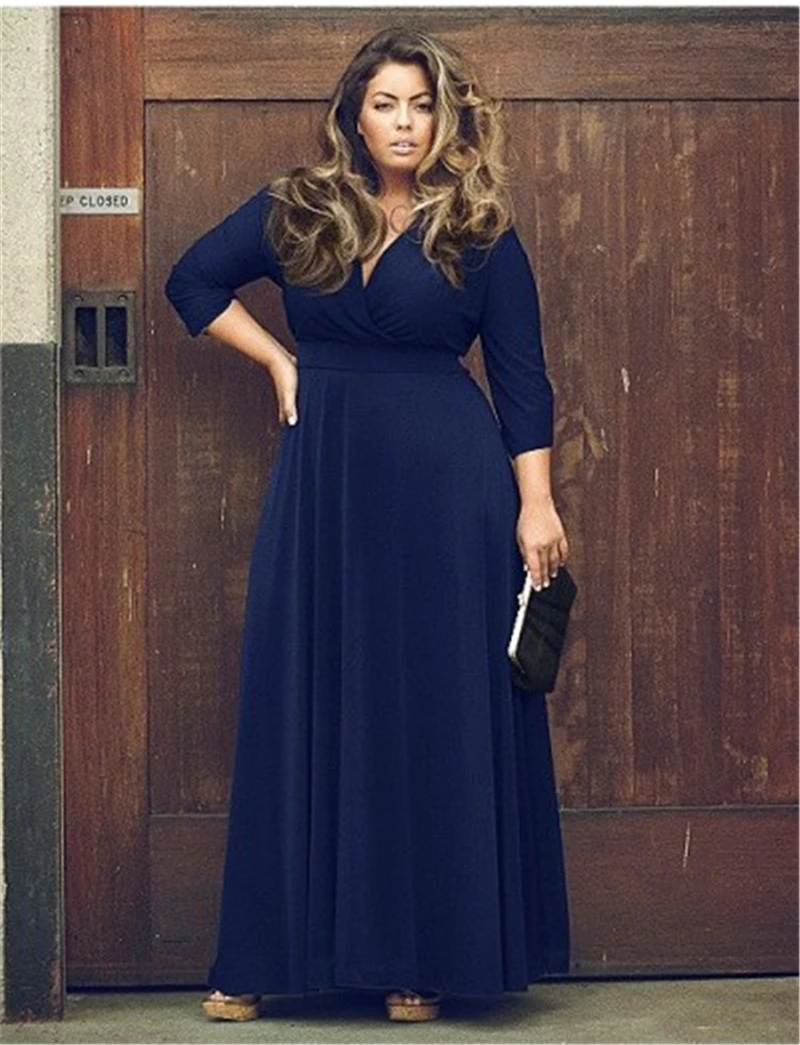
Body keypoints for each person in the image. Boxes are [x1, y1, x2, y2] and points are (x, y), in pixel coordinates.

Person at [165, 25, 570, 1024]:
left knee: (430, 709)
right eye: (386, 104)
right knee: (303, 690)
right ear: (354, 113)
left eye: (422, 106)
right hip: (327, 485)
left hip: (449, 493)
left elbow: (521, 379)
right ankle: (262, 956)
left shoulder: (479, 228)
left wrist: (536, 502)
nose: (404, 123)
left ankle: (418, 958)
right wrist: (276, 358)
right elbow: (191, 280)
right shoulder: (298, 207)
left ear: (445, 119)